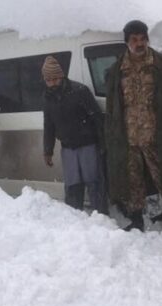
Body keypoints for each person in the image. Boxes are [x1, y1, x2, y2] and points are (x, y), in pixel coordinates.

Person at [104, 20, 162, 237]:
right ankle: (136, 221)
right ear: (127, 42)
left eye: (143, 38)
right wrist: (112, 137)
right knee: (132, 182)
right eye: (134, 39)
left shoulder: (161, 65)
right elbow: (112, 108)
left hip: (158, 136)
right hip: (129, 139)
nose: (139, 43)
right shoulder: (117, 70)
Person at [42, 56, 108, 213]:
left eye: (56, 78)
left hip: (88, 145)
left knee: (94, 183)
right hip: (68, 148)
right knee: (72, 186)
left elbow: (96, 117)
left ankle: (102, 217)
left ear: (62, 76)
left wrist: (103, 144)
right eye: (49, 80)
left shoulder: (80, 91)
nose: (53, 83)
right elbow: (49, 125)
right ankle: (74, 219)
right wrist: (47, 150)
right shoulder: (47, 97)